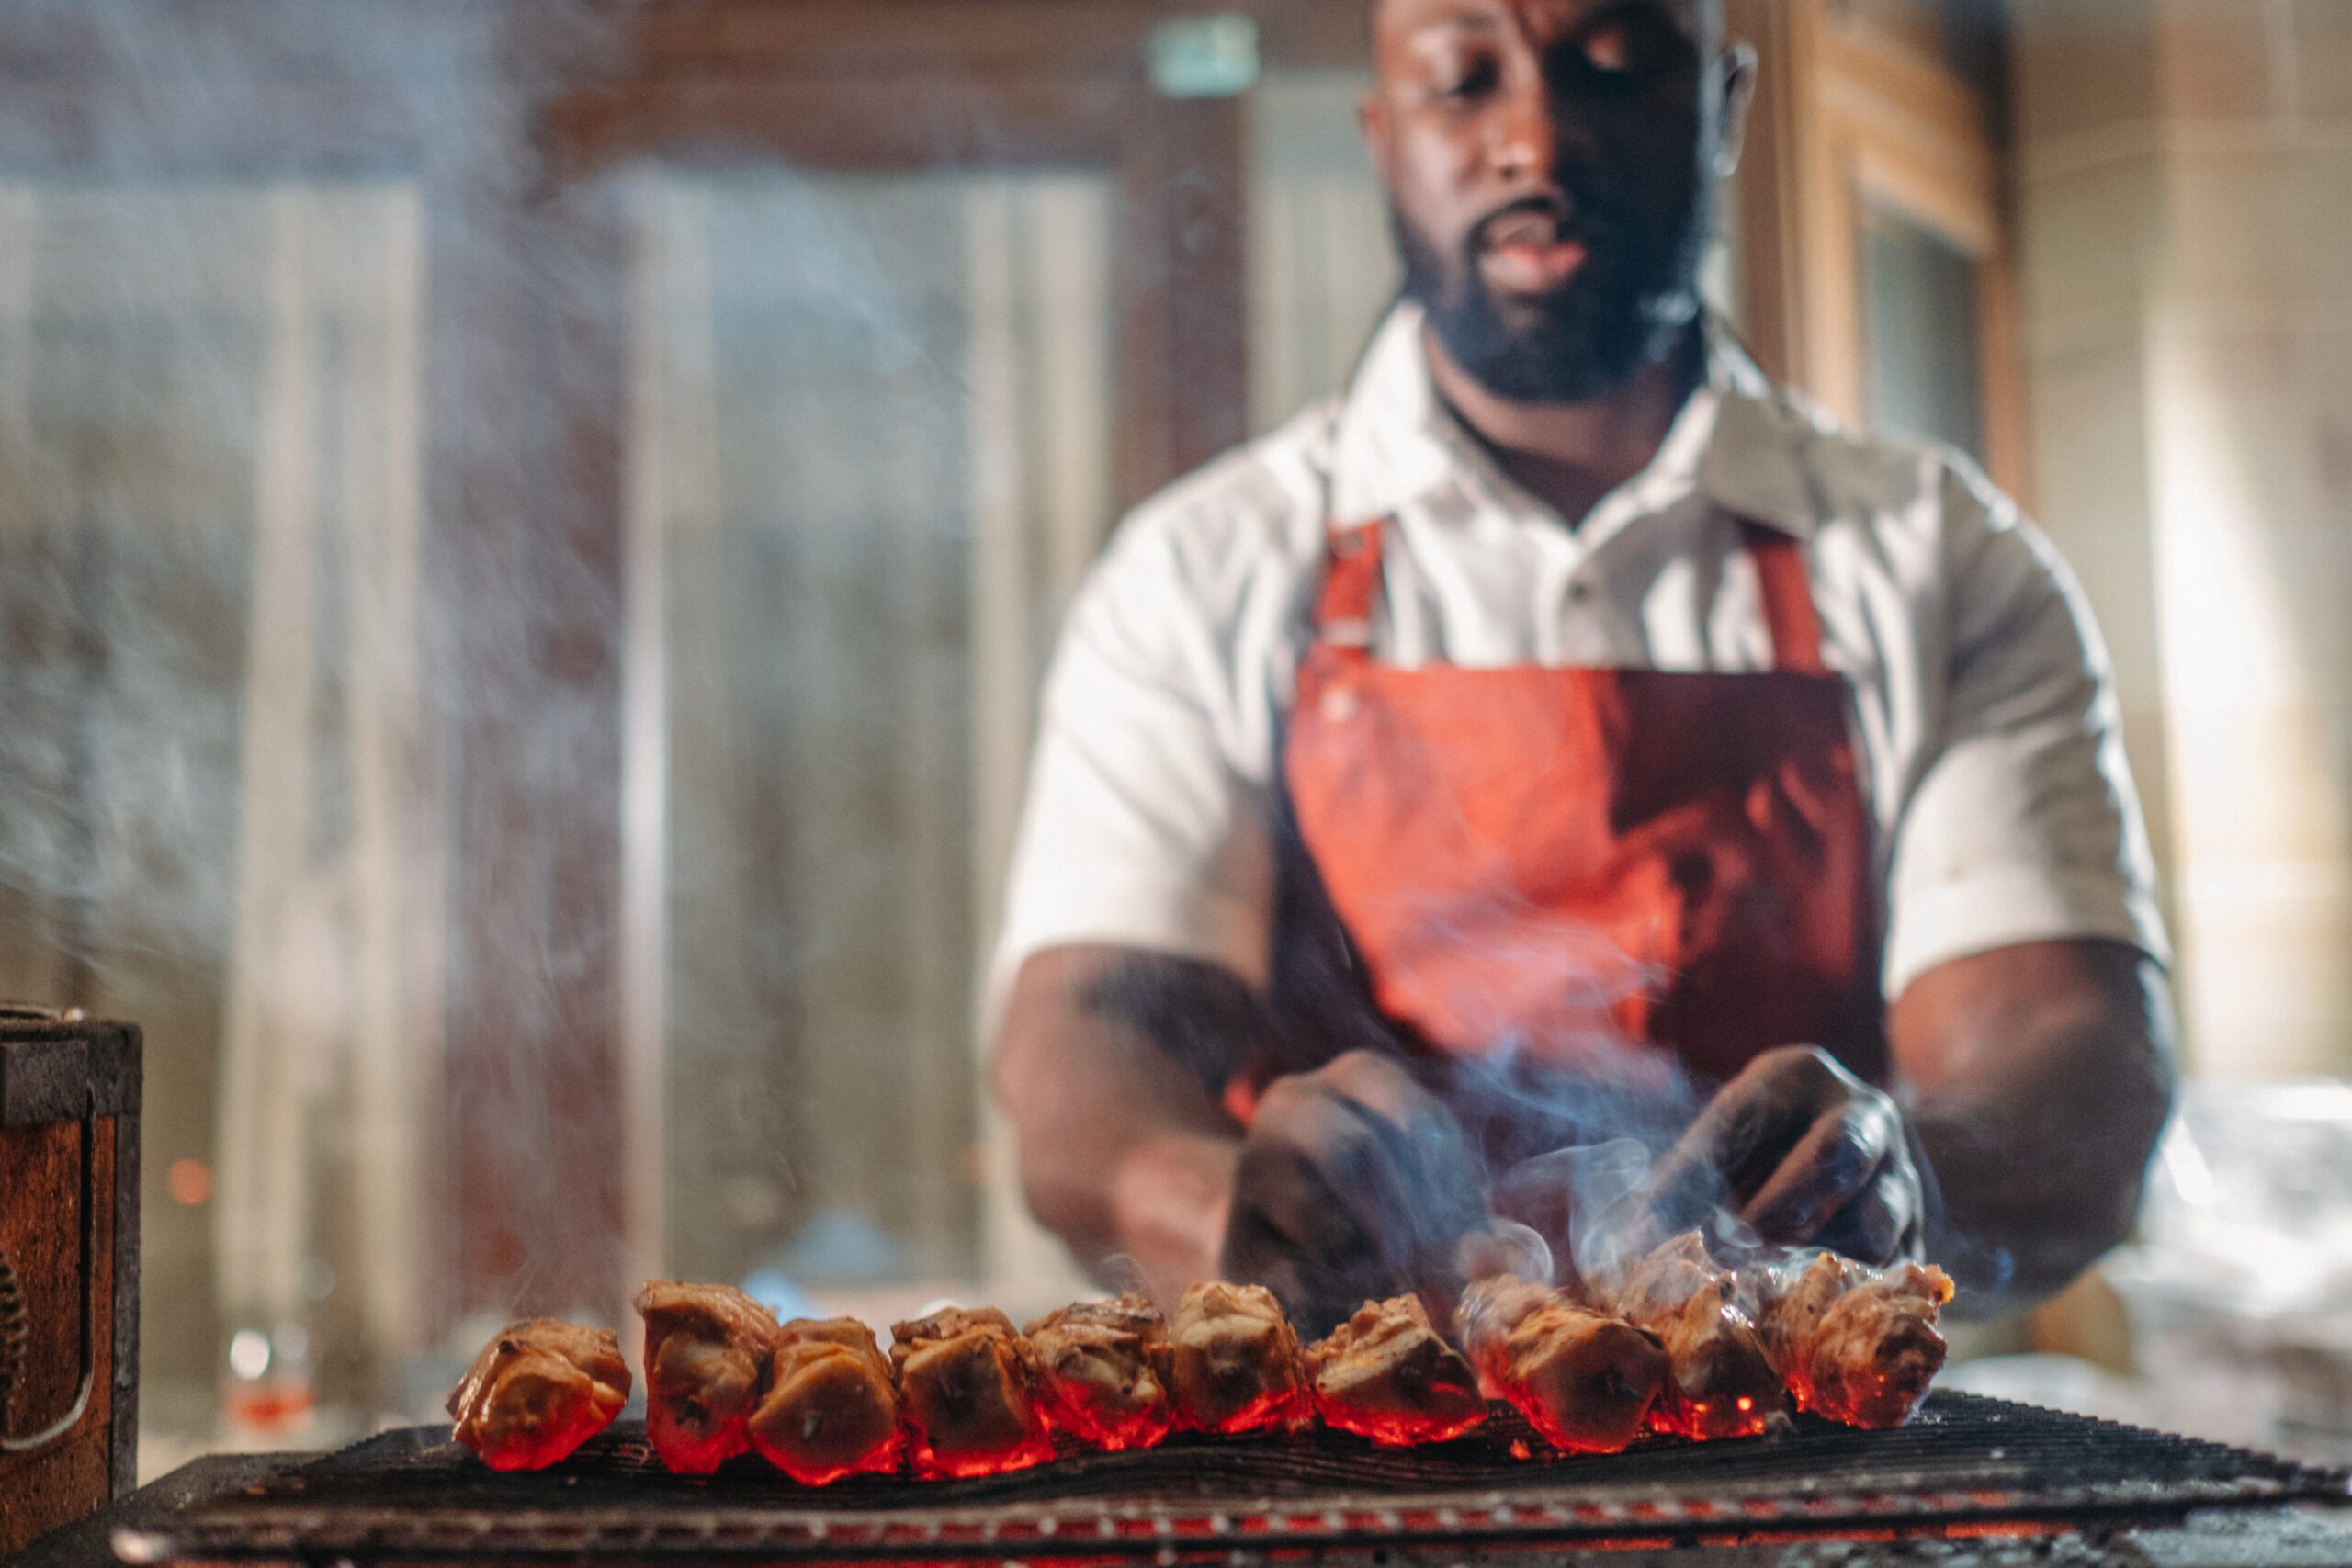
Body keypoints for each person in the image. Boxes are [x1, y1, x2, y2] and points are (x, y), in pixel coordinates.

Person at [988, 0, 2175, 1336]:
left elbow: (2071, 1062)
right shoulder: (1201, 571)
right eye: (1460, 81)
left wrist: (1905, 1174)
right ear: (1382, 138)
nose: (1534, 142)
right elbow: (1089, 1044)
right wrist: (1210, 1201)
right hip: (1339, 1456)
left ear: (1725, 113)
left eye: (1609, 68)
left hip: (1801, 1458)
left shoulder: (1936, 559)